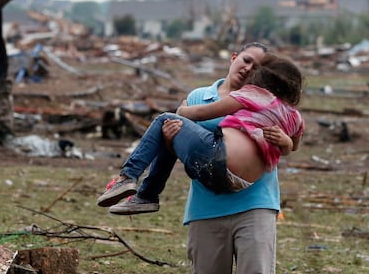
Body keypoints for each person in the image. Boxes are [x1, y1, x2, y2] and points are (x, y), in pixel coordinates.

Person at [105, 41, 293, 274]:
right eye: (246, 60)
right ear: (234, 58)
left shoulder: (268, 101)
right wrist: (169, 134)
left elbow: (292, 138)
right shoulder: (198, 97)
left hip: (257, 202)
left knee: (256, 273)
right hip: (207, 205)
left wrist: (286, 140)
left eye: (257, 66)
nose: (249, 68)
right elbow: (176, 137)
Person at [96, 53, 303, 207]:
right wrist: (285, 142)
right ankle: (146, 196)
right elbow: (293, 146)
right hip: (241, 182)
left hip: (219, 160)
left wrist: (181, 110)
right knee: (173, 130)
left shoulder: (252, 94)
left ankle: (129, 179)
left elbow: (202, 113)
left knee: (165, 121)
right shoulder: (295, 116)